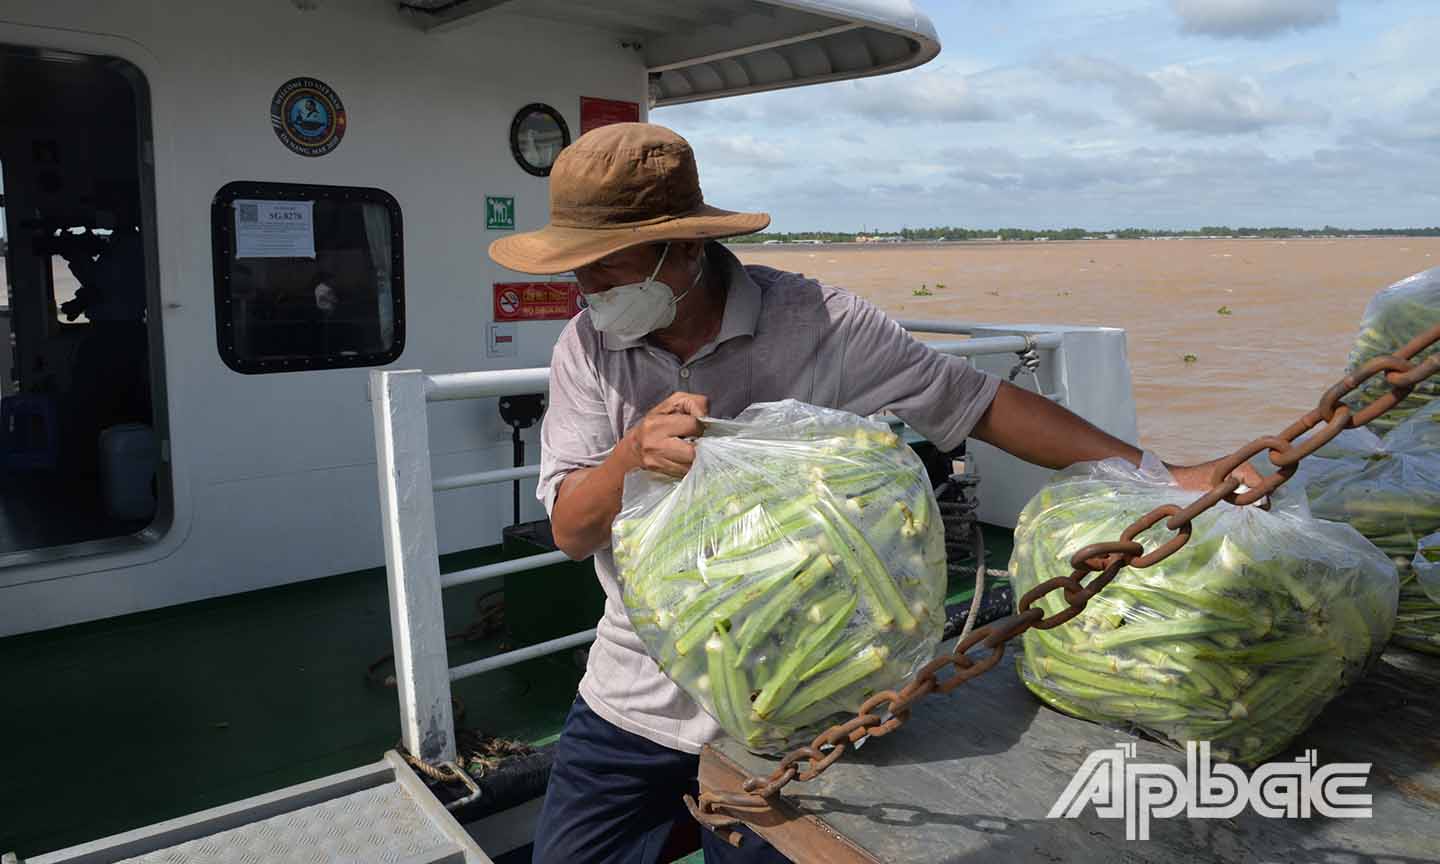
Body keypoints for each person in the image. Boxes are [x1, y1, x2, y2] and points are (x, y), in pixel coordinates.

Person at [488, 123, 1261, 864]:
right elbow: (569, 530)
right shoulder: (587, 349)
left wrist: (1156, 473)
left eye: (605, 267)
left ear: (684, 248)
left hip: (810, 698)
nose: (583, 289)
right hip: (636, 694)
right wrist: (630, 457)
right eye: (574, 268)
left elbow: (973, 403)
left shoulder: (817, 322)